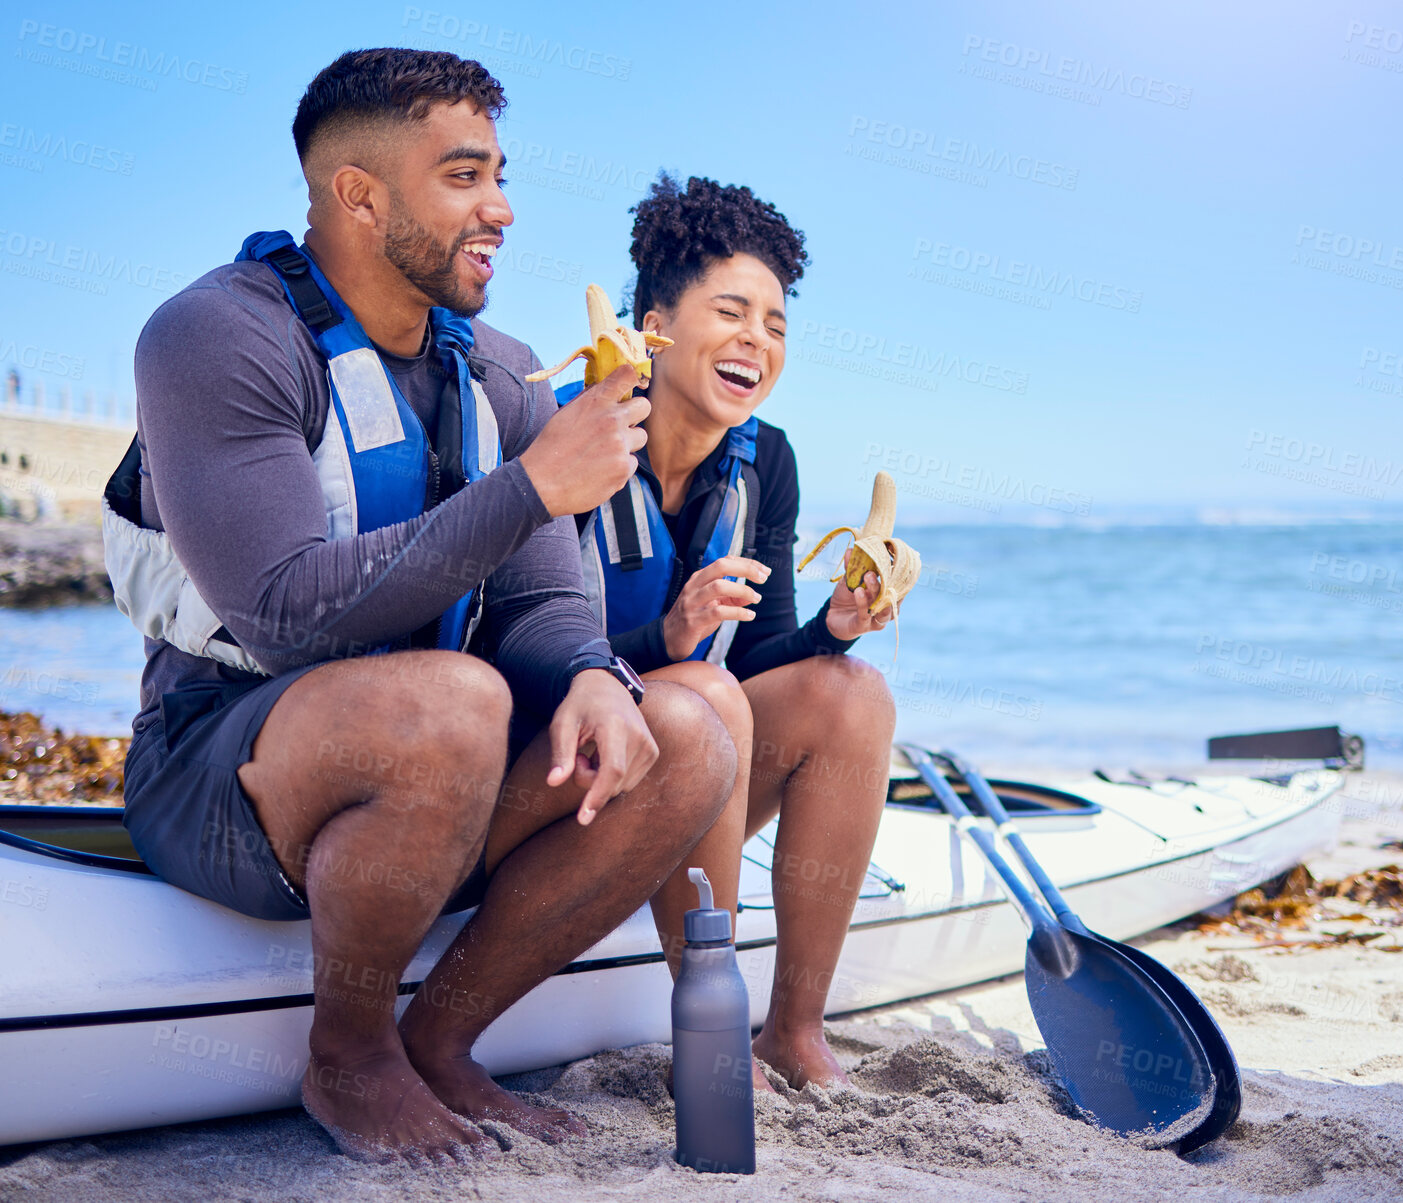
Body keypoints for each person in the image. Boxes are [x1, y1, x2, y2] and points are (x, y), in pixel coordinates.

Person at [104, 49, 737, 1163]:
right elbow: (281, 613)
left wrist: (593, 673)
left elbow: (543, 603)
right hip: (219, 766)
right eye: (461, 176)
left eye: (499, 174)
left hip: (439, 765)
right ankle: (346, 1059)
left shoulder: (504, 372)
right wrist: (536, 484)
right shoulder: (218, 337)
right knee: (451, 699)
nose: (500, 209)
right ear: (358, 193)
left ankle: (438, 1044)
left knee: (681, 724)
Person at [565, 175, 897, 1089]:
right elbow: (516, 650)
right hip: (563, 786)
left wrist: (834, 628)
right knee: (697, 687)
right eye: (732, 311)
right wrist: (664, 638)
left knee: (850, 691)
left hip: (691, 778)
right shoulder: (572, 437)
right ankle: (706, 1022)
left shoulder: (768, 463)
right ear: (655, 320)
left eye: (777, 324)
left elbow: (761, 661)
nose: (759, 338)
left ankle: (792, 1030)